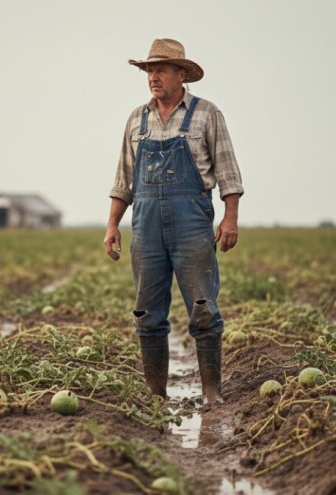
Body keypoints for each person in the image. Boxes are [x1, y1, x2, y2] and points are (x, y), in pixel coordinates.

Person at [104, 39, 244, 405]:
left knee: (203, 307)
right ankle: (156, 395)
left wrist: (230, 218)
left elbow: (228, 172)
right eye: (149, 70)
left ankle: (212, 392)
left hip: (192, 224)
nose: (153, 76)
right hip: (146, 226)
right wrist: (112, 225)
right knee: (147, 313)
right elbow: (123, 179)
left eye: (161, 69)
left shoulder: (206, 113)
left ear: (182, 74)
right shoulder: (137, 119)